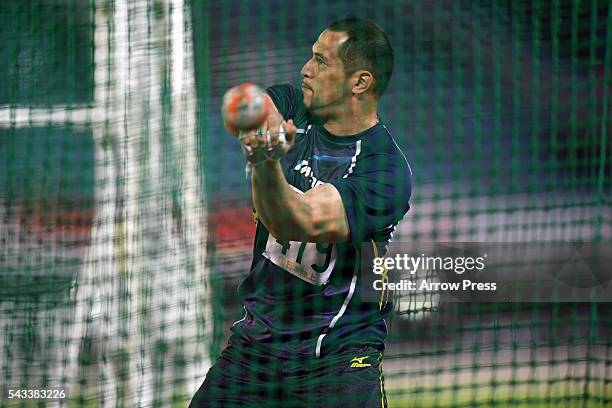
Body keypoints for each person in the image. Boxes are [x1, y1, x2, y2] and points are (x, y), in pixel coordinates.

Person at [190, 17, 411, 408]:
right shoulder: (298, 108)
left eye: (321, 62)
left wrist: (264, 160)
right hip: (256, 348)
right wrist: (255, 117)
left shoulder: (384, 170)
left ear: (359, 82)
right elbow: (257, 106)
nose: (306, 69)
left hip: (336, 358)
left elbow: (297, 221)